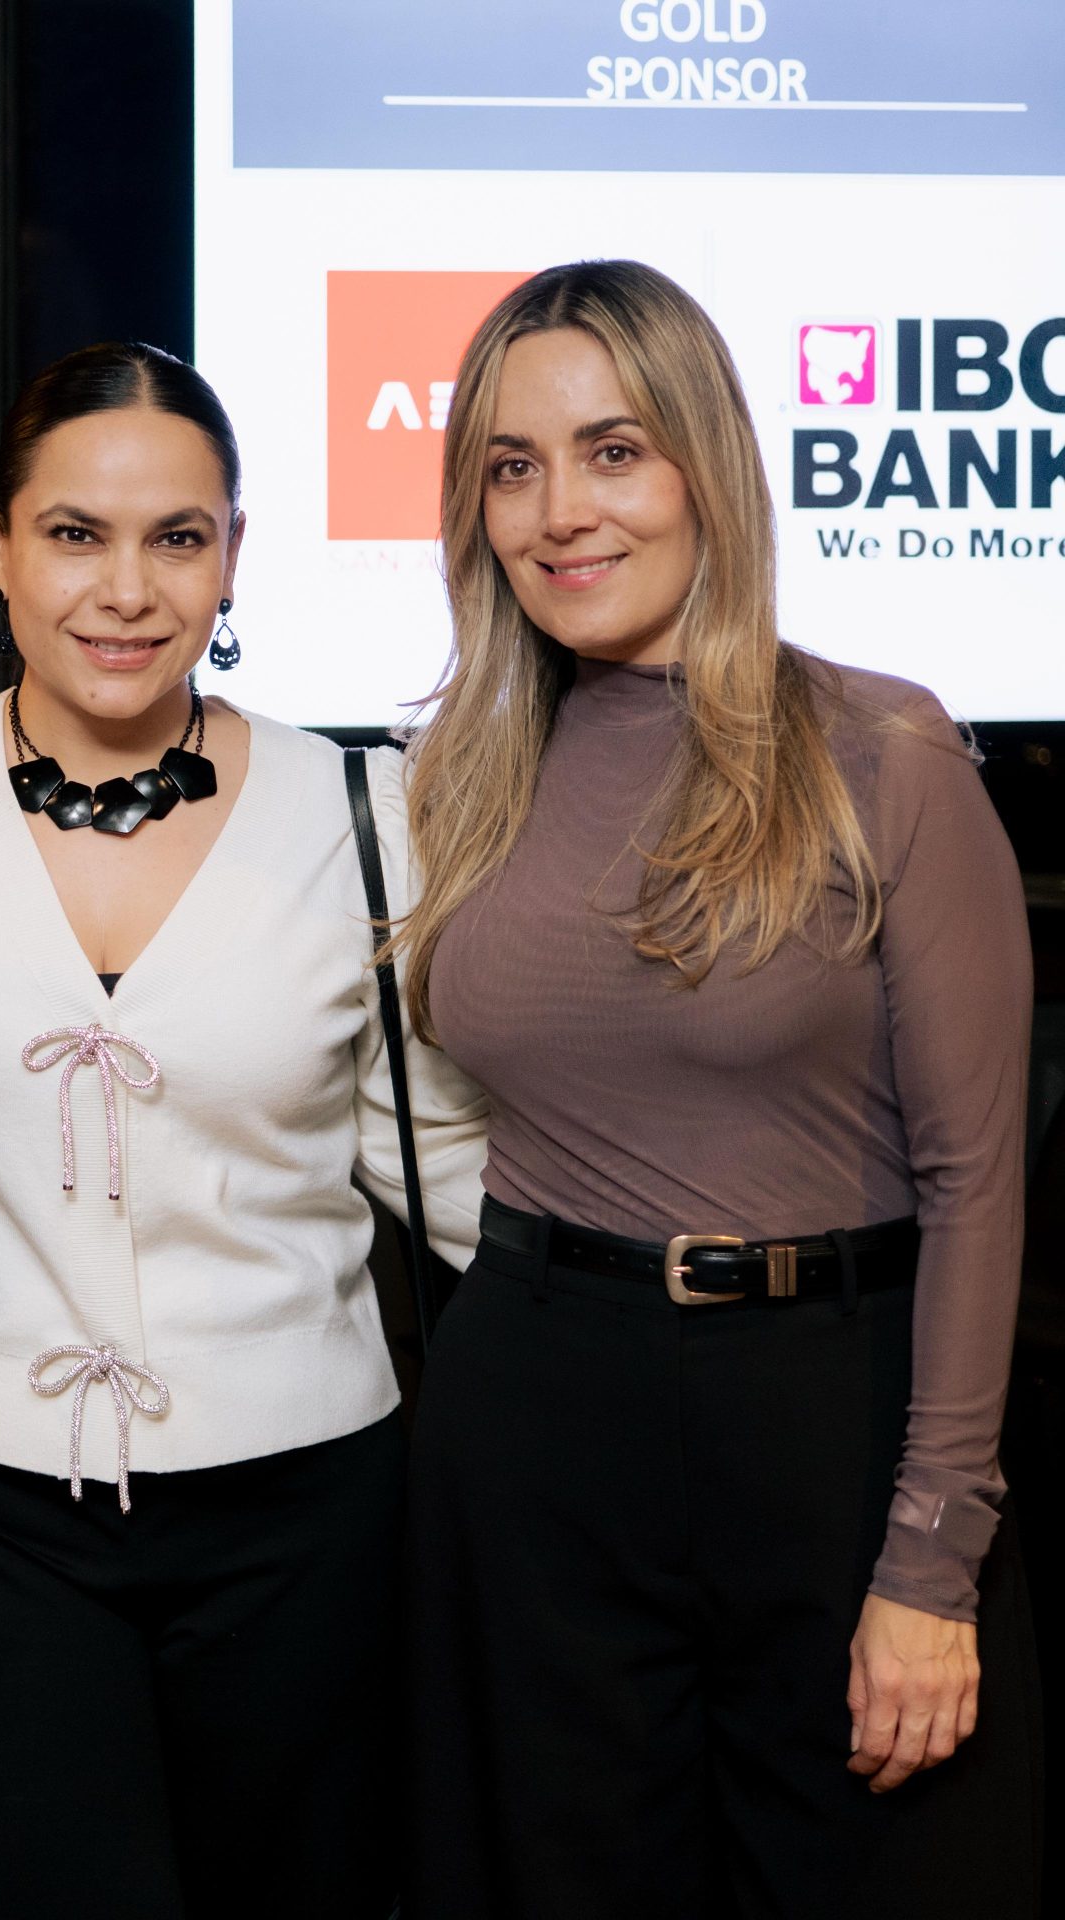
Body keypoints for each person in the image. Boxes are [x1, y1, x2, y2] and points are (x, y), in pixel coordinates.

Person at [0, 341, 488, 1917]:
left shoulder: (366, 814)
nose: (128, 590)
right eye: (76, 534)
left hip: (307, 1514)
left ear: (234, 555)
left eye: (179, 537)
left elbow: (448, 1171)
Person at [400, 259, 1044, 1916]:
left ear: (709, 466)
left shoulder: (883, 753)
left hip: (827, 1427)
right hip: (531, 1423)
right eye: (513, 465)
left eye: (614, 451)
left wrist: (933, 1558)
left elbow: (978, 1180)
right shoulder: (462, 772)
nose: (561, 511)